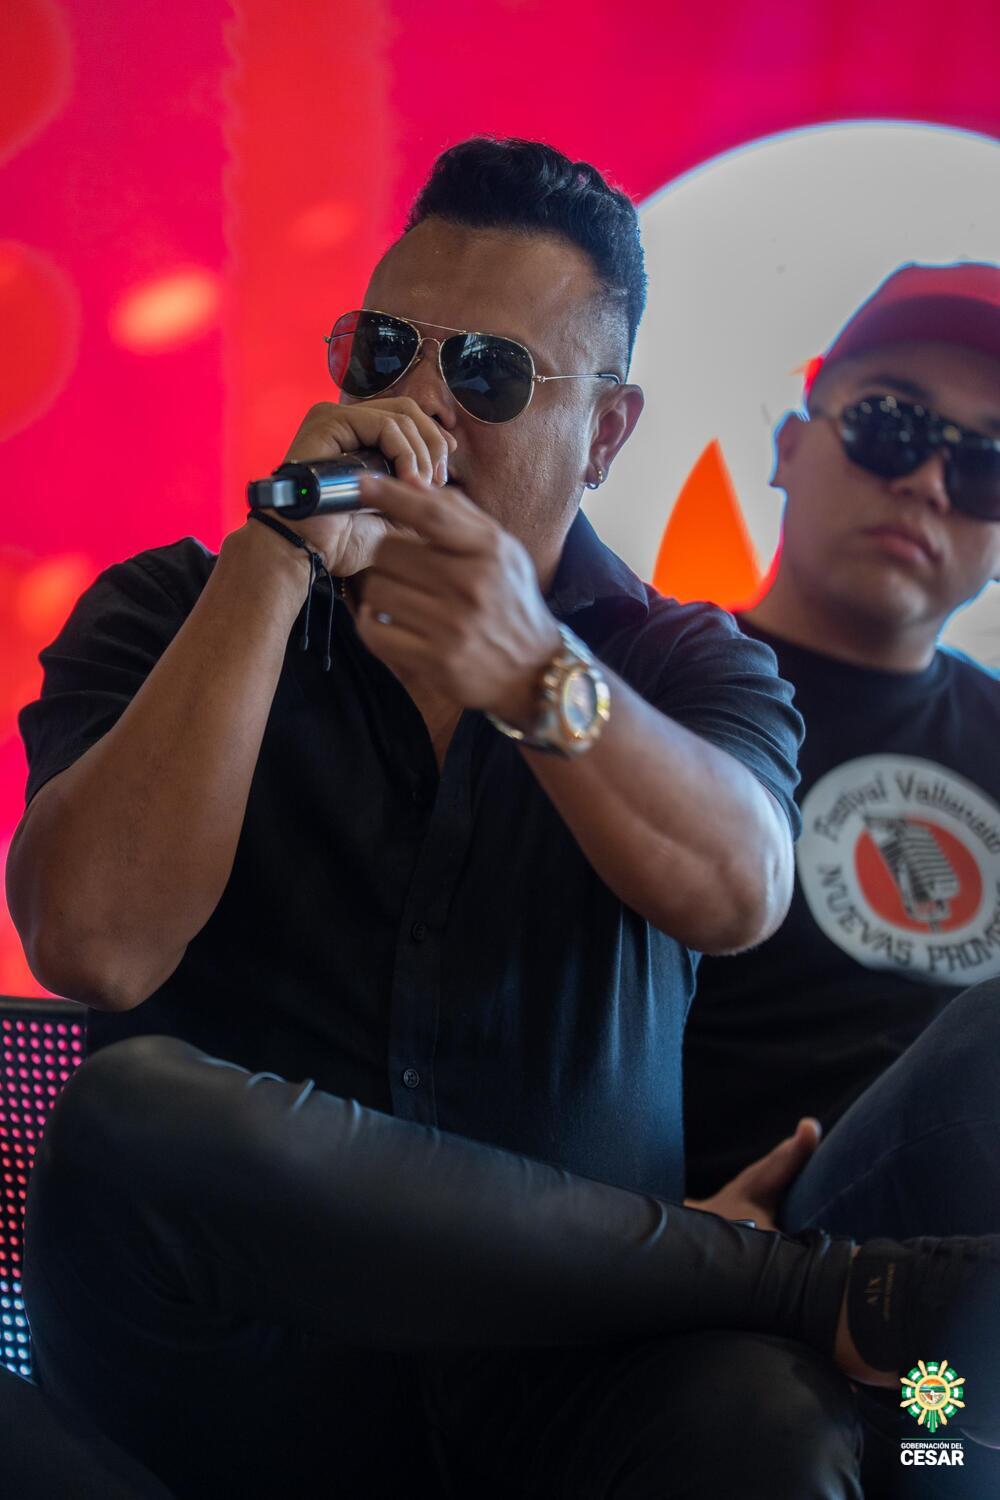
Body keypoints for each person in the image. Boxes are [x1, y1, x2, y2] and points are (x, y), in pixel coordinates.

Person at [6, 143, 998, 1500]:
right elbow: (94, 945)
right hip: (232, 1371)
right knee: (130, 1113)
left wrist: (534, 675)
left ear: (606, 436)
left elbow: (740, 889)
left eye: (486, 376)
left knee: (777, 1422)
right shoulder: (170, 606)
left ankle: (819, 1325)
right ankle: (803, 1288)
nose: (415, 406)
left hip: (562, 1381)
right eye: (383, 352)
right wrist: (272, 562)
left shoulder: (680, 663)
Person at [683, 262, 1000, 1495]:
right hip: (739, 1250)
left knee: (934, 1435)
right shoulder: (651, 690)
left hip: (937, 1336)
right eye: (889, 424)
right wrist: (629, 1241)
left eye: (984, 466)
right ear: (788, 445)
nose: (925, 482)